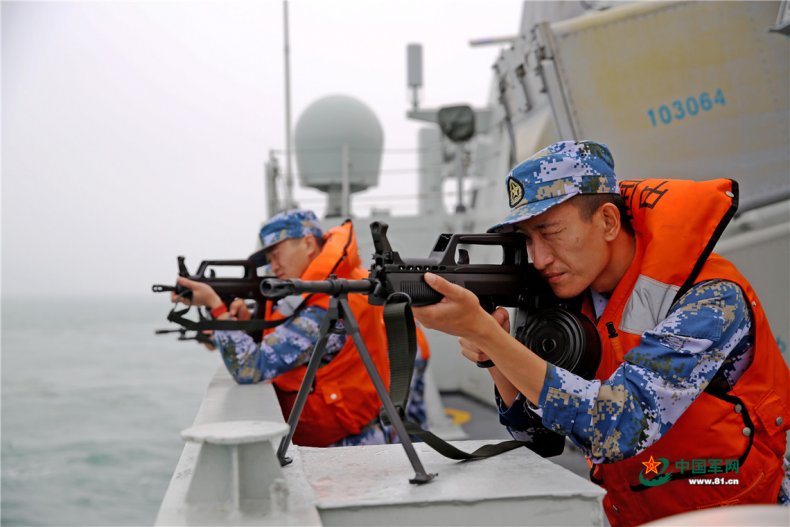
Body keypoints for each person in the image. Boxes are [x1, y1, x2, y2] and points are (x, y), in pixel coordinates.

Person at [411, 140, 790, 526]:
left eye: (551, 232)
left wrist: (489, 336)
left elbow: (618, 426)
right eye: (527, 239)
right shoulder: (568, 298)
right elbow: (537, 439)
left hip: (737, 515)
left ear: (608, 221)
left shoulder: (709, 298)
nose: (539, 258)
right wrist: (492, 352)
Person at [174, 210, 428, 447]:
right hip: (343, 436)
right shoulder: (331, 286)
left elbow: (250, 367)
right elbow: (288, 330)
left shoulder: (329, 304)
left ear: (307, 243)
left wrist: (216, 307)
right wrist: (245, 320)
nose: (273, 266)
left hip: (348, 447)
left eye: (276, 254)